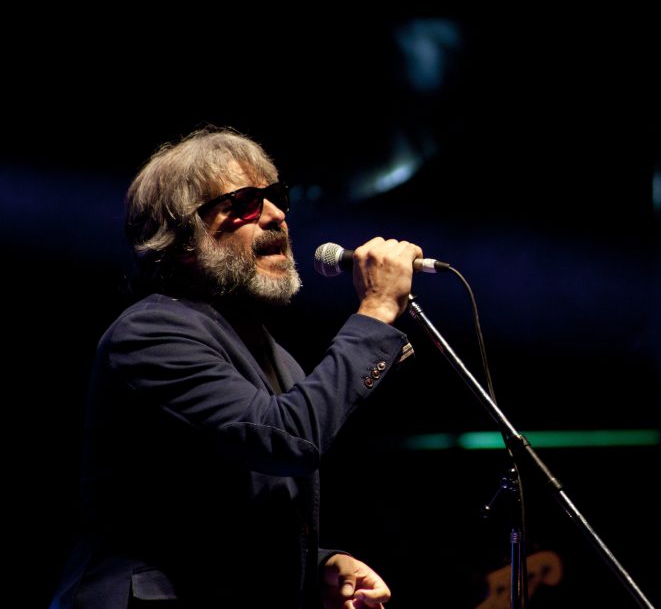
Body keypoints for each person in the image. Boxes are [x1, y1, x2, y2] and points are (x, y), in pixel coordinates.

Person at [50, 126, 422, 609]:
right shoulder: (149, 334)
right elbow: (286, 438)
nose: (276, 215)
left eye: (277, 197)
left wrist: (319, 566)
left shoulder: (275, 358)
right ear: (185, 239)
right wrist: (374, 312)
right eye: (245, 204)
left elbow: (224, 522)